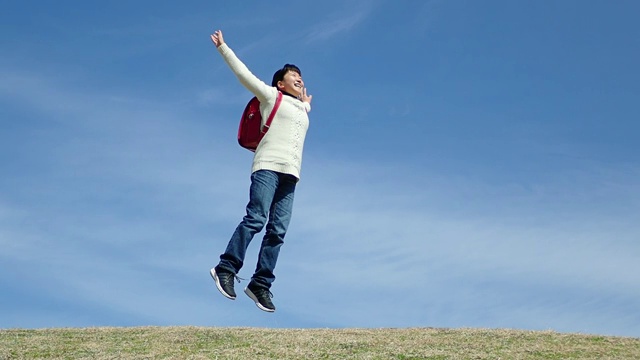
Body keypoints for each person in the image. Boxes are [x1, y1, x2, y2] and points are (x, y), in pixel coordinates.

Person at [209, 29, 312, 312]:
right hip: (267, 167)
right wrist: (224, 48)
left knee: (278, 231)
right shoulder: (270, 97)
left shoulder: (303, 108)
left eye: (300, 75)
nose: (299, 77)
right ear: (280, 83)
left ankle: (260, 285)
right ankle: (225, 268)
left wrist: (305, 106)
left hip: (291, 175)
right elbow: (244, 75)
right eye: (293, 75)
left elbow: (297, 121)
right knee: (256, 219)